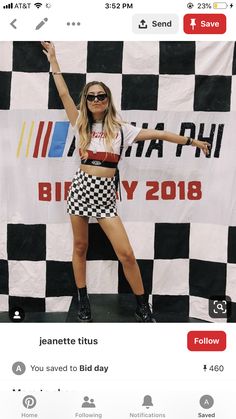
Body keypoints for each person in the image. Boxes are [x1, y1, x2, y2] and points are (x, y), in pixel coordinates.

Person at [41, 42, 211, 323]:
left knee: (127, 254)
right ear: (86, 101)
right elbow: (62, 93)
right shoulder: (80, 123)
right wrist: (55, 61)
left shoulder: (122, 130)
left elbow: (159, 135)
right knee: (80, 248)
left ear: (108, 100)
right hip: (81, 190)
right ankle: (83, 300)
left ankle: (142, 305)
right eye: (91, 96)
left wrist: (192, 141)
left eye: (101, 96)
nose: (96, 100)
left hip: (105, 196)